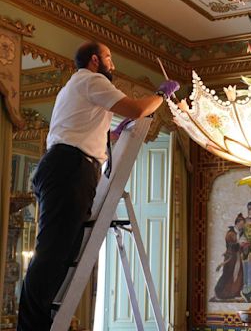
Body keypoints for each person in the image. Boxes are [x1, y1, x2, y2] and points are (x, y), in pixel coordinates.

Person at [17, 41, 179, 331]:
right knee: (53, 252)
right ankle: (31, 326)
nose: (112, 64)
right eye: (108, 58)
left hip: (67, 167)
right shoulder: (91, 80)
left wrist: (112, 133)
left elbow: (85, 129)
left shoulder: (78, 87)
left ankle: (39, 322)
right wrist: (160, 95)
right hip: (69, 168)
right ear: (95, 61)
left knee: (61, 251)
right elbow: (137, 109)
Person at [213, 214, 246, 300]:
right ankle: (220, 292)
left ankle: (235, 292)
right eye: (241, 224)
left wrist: (244, 246)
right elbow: (231, 246)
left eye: (243, 225)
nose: (242, 226)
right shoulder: (230, 233)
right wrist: (239, 244)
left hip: (238, 256)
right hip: (231, 257)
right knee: (228, 274)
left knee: (239, 274)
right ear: (237, 223)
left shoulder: (240, 232)